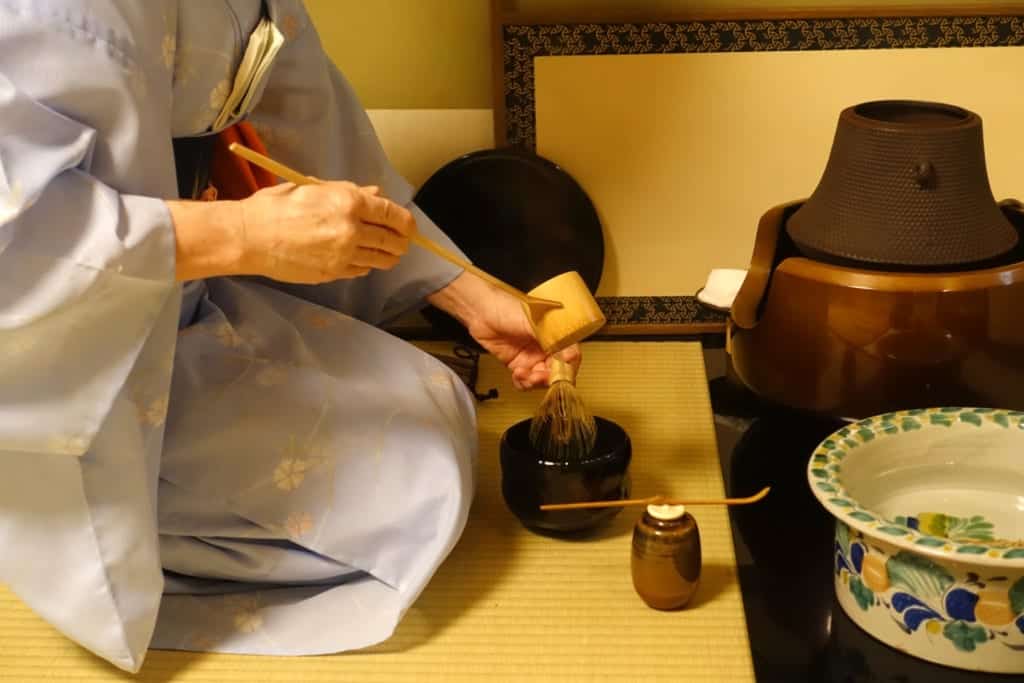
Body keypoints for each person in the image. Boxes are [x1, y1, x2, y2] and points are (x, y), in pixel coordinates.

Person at [0, 0, 580, 673]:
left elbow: (307, 125)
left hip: (169, 298)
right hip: (62, 357)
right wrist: (246, 236)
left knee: (435, 410)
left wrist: (468, 292)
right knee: (419, 494)